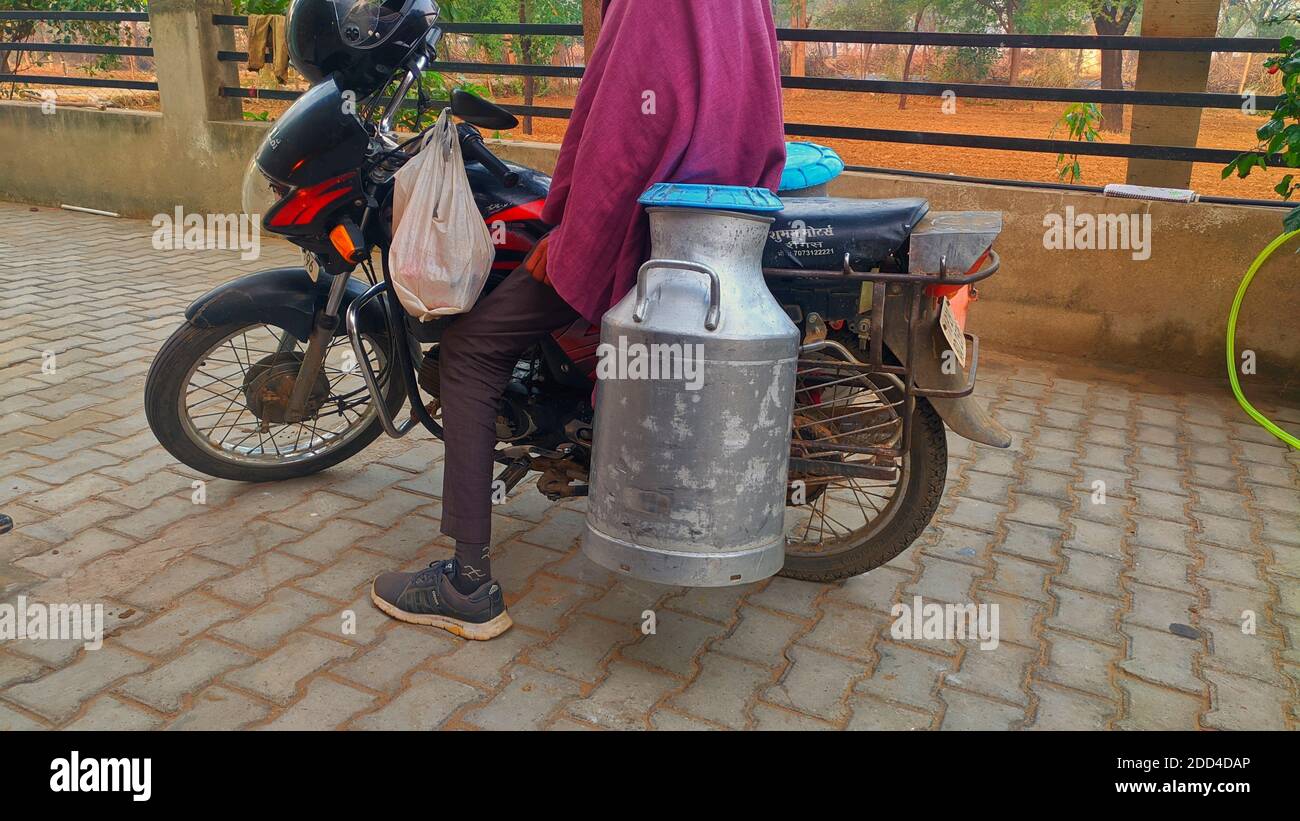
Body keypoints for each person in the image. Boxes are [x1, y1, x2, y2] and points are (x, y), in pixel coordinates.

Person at [371, 0, 787, 640]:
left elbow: (621, 138)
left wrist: (570, 238)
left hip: (647, 224)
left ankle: (466, 583)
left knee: (472, 353)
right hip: (722, 216)